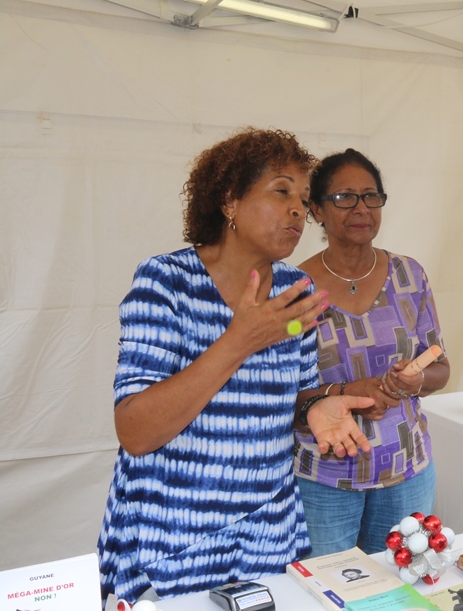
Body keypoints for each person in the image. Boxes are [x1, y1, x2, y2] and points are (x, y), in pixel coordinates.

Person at [97, 128, 374, 604]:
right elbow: (135, 431)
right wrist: (239, 340)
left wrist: (315, 406)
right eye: (281, 191)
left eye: (303, 199)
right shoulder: (166, 284)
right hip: (174, 542)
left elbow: (293, 394)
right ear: (230, 201)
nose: (297, 210)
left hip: (267, 538)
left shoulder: (296, 291)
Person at [295, 148, 451, 556]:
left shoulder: (409, 275)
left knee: (403, 583)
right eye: (344, 197)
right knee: (326, 586)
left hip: (406, 470)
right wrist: (346, 392)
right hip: (324, 476)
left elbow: (440, 365)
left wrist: (417, 379)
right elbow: (275, 392)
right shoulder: (294, 289)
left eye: (370, 196)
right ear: (316, 209)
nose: (361, 208)